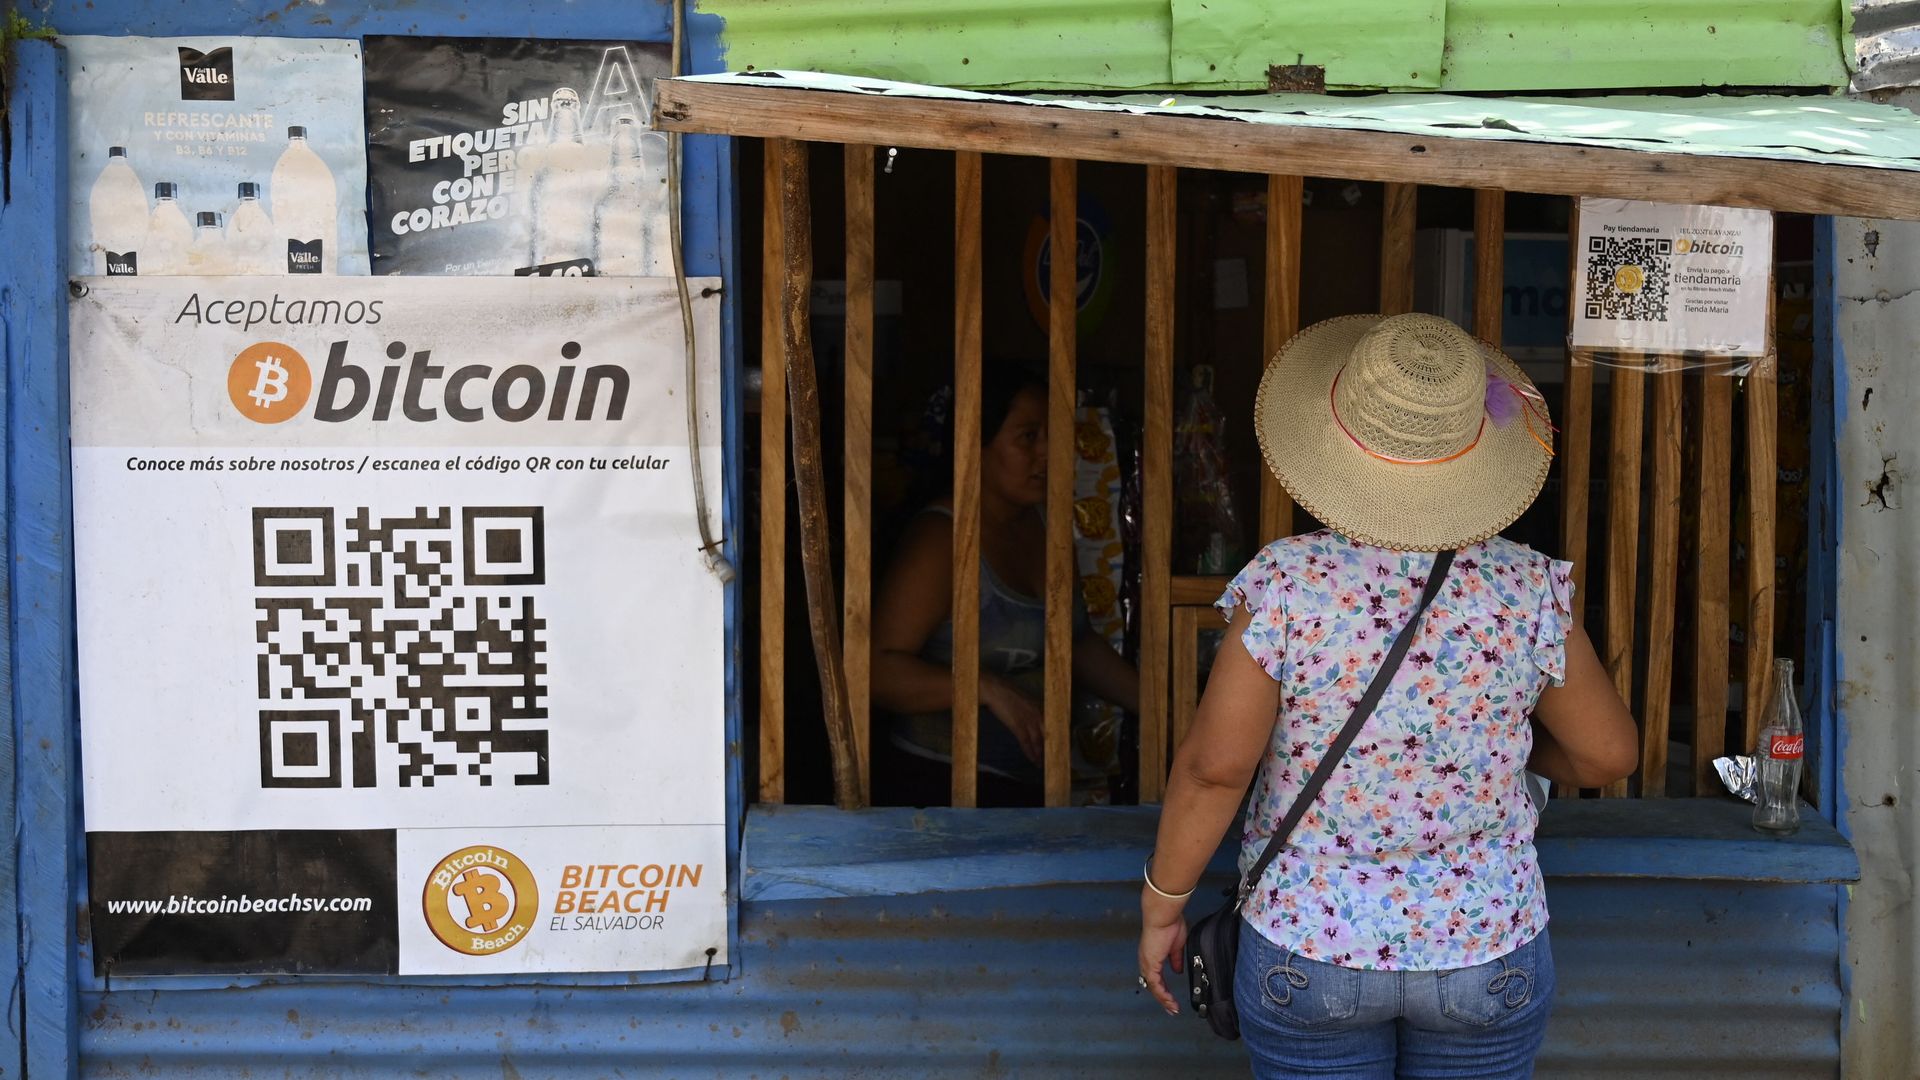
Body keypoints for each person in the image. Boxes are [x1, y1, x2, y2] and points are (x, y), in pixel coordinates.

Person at [1136, 313, 1637, 1078]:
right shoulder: (1527, 586)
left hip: (1309, 947)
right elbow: (1607, 754)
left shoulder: (1288, 584)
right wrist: (1485, 743)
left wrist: (1162, 904)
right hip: (1486, 949)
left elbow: (1215, 769)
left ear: (1334, 441)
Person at [870, 365, 1140, 807]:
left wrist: (1167, 714)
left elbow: (1075, 641)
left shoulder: (1046, 528)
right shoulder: (941, 542)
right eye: (1028, 437)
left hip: (1029, 789)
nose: (1047, 452)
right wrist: (986, 688)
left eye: (1052, 434)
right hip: (935, 790)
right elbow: (875, 672)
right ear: (975, 443)